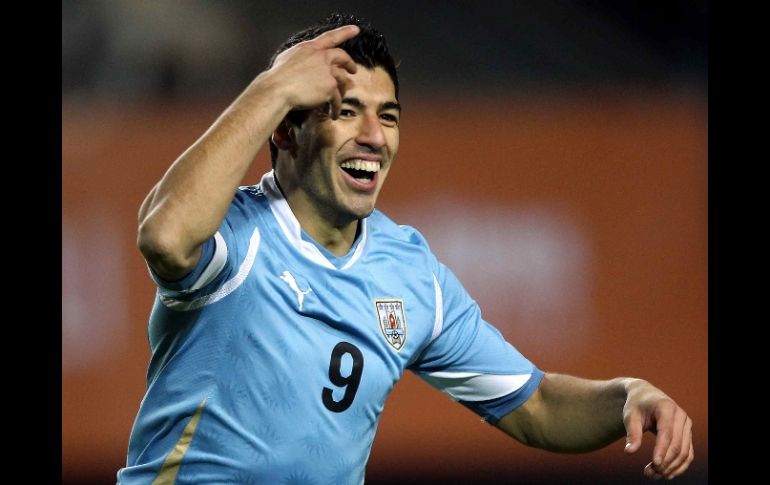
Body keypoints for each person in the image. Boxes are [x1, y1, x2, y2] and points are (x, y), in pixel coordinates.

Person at [117, 12, 694, 484]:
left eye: (387, 116)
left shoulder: (412, 275)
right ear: (286, 130)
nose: (373, 136)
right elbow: (164, 238)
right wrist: (272, 87)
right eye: (346, 112)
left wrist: (625, 397)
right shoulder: (238, 236)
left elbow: (537, 405)